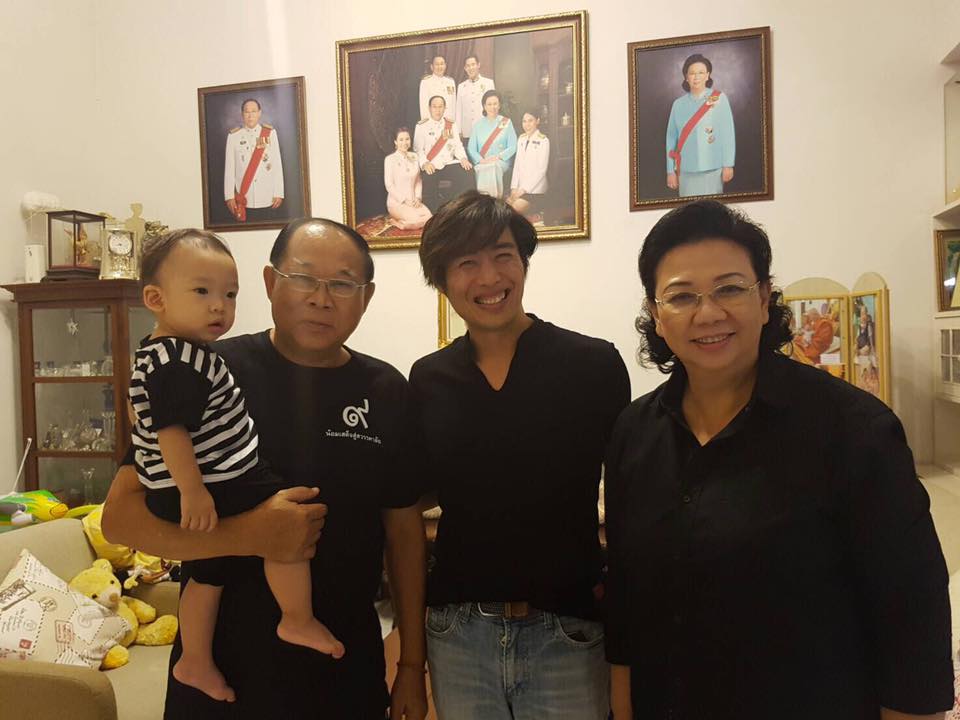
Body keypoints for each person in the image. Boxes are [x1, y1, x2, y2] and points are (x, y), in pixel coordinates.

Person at [604, 199, 953, 719]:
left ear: (765, 299)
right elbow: (626, 600)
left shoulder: (854, 431)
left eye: (729, 288)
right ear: (656, 316)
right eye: (681, 296)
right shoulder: (633, 433)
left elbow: (912, 616)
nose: (708, 313)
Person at [103, 218, 428, 720]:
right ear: (271, 282)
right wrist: (249, 534)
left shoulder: (386, 389)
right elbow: (119, 520)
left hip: (343, 668)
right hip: (221, 675)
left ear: (366, 297)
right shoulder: (207, 369)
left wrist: (410, 664)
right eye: (303, 278)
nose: (321, 299)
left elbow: (404, 535)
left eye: (342, 284)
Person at [411, 191, 630, 720]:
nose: (489, 277)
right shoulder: (428, 379)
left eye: (503, 255)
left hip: (569, 631)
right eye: (467, 262)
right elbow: (414, 496)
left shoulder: (593, 366)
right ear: (442, 281)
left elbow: (631, 501)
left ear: (524, 263)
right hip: (458, 633)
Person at [130, 229, 344, 703]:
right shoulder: (178, 361)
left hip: (199, 482)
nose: (219, 307)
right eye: (202, 292)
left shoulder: (176, 352)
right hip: (211, 482)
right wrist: (194, 493)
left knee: (208, 572)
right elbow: (169, 433)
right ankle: (297, 617)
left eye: (229, 295)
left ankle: (195, 659)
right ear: (156, 299)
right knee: (288, 524)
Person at [665, 54, 735, 197]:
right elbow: (671, 139)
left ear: (708, 75)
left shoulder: (718, 98)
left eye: (701, 72)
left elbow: (728, 134)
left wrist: (728, 164)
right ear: (686, 77)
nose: (696, 77)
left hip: (713, 167)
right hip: (686, 170)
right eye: (692, 73)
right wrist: (670, 171)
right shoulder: (678, 104)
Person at [224, 98, 284, 223]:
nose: (250, 115)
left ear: (259, 113)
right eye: (247, 112)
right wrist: (229, 196)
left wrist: (279, 192)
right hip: (245, 198)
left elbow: (277, 165)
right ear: (242, 114)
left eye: (253, 111)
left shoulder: (270, 133)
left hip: (267, 196)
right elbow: (229, 169)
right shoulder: (233, 136)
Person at [414, 96, 473, 212]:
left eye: (440, 107)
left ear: (445, 108)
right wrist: (425, 163)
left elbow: (457, 145)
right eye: (434, 107)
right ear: (429, 108)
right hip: (432, 165)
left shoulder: (451, 124)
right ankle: (435, 213)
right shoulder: (421, 126)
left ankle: (463, 208)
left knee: (468, 171)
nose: (438, 110)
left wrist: (463, 158)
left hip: (448, 162)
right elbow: (418, 150)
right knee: (429, 181)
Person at [467, 90, 518, 198]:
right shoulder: (477, 125)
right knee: (483, 168)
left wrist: (498, 157)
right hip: (483, 161)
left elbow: (513, 146)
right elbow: (471, 148)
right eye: (489, 104)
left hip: (500, 161)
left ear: (499, 105)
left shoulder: (506, 122)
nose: (492, 107)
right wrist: (481, 160)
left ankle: (495, 200)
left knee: (493, 167)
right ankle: (483, 201)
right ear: (484, 106)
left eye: (495, 104)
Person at [384, 127, 432, 231]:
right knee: (416, 220)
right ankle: (399, 224)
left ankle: (405, 221)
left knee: (429, 218)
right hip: (397, 203)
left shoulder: (414, 156)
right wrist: (405, 200)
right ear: (395, 142)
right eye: (401, 140)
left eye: (407, 139)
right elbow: (389, 185)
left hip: (414, 201)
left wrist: (418, 198)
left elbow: (418, 180)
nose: (404, 143)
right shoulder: (390, 159)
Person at [507, 110, 550, 218]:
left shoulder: (543, 140)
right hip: (520, 189)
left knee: (514, 208)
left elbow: (541, 171)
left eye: (530, 121)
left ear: (537, 121)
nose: (527, 124)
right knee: (505, 205)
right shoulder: (521, 139)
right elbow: (517, 165)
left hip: (535, 190)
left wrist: (523, 190)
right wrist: (513, 188)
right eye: (524, 121)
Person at [454, 55, 495, 141]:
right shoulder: (461, 86)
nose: (471, 68)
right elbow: (459, 110)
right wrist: (458, 130)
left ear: (478, 65)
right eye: (468, 66)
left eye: (473, 64)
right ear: (465, 68)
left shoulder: (488, 83)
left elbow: (493, 108)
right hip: (467, 131)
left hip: (484, 129)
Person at [419, 55, 456, 121]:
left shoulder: (450, 82)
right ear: (432, 67)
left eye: (442, 64)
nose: (439, 67)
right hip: (433, 122)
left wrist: (452, 122)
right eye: (437, 64)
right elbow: (424, 106)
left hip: (448, 121)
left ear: (445, 66)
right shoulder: (426, 82)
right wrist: (427, 124)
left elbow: (453, 105)